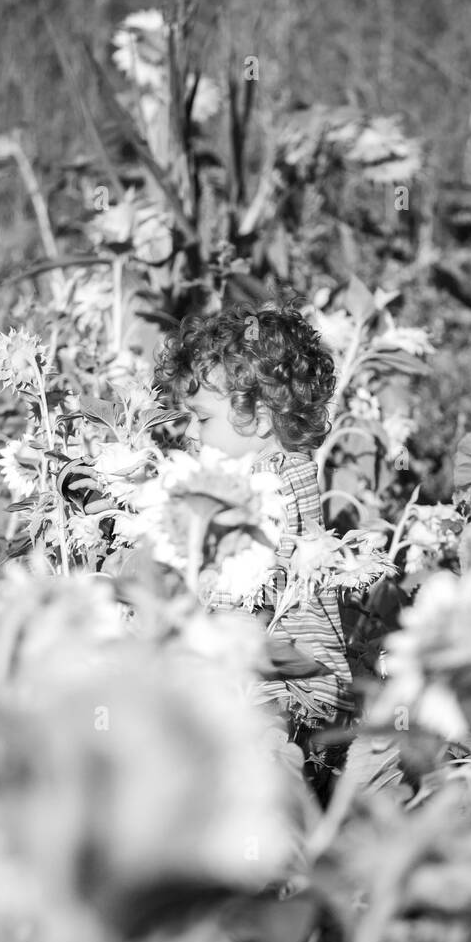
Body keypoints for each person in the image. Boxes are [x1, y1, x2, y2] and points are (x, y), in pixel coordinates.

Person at [153, 300, 352, 732]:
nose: (187, 432)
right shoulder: (278, 475)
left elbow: (244, 598)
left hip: (283, 695)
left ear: (261, 420)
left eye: (201, 418)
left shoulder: (271, 489)